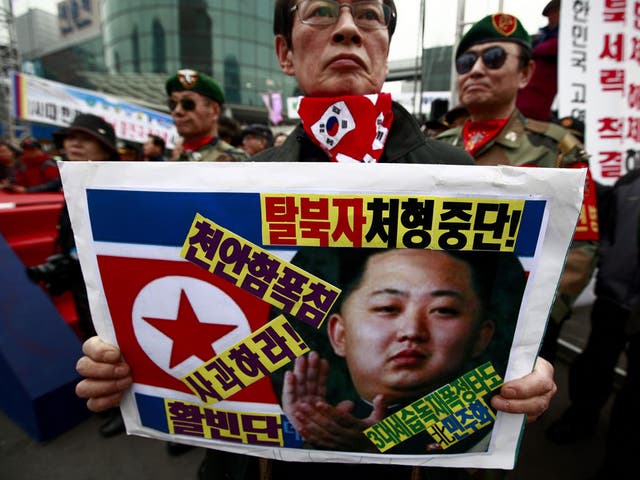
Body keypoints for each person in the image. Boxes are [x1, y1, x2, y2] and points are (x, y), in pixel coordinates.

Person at [76, 2, 557, 479]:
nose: (348, 28)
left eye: (368, 15)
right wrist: (126, 369)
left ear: (385, 49)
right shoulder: (238, 187)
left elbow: (505, 323)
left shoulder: (460, 179)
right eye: (322, 12)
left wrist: (523, 370)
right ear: (284, 53)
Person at [437, 13, 598, 364]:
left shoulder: (558, 149)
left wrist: (538, 318)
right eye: (467, 62)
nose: (476, 70)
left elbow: (580, 247)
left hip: (523, 326)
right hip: (443, 321)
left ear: (524, 74)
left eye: (493, 58)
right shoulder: (432, 147)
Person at [281, 248, 526, 454]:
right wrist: (303, 431)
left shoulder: (491, 407)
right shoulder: (319, 414)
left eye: (444, 310)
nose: (411, 330)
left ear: (481, 337)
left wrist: (384, 442)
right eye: (387, 308)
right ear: (339, 334)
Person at [546, 168, 640, 480]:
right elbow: (605, 223)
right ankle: (580, 418)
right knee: (595, 364)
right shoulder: (631, 181)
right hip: (613, 296)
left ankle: (620, 458)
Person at [51, 113, 125, 437]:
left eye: (86, 138)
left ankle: (127, 409)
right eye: (69, 137)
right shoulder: (70, 187)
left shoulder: (119, 190)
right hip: (81, 286)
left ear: (107, 149)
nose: (74, 143)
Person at [165, 69, 248, 162]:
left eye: (188, 104)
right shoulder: (172, 160)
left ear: (214, 111)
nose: (177, 111)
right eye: (172, 104)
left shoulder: (236, 161)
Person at [516, 0, 560, 121]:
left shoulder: (567, 42)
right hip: (523, 103)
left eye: (555, 12)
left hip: (539, 106)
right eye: (549, 14)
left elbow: (552, 48)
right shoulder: (539, 38)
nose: (551, 17)